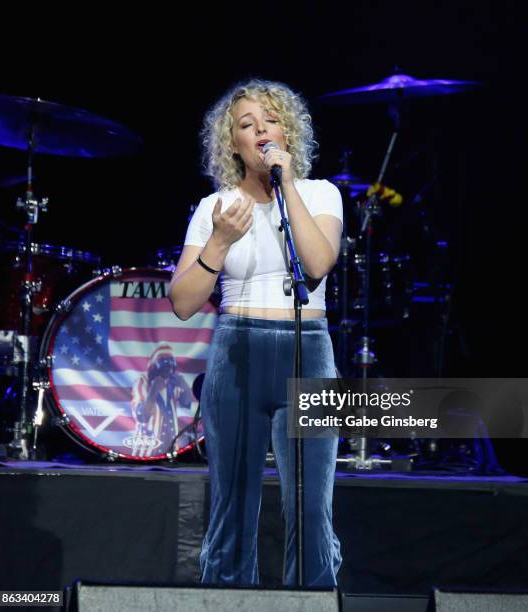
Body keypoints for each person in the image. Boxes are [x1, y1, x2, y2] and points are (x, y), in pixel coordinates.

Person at [169, 79, 343, 586]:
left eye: (270, 119)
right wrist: (220, 242)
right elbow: (182, 303)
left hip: (307, 352)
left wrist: (287, 186)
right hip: (238, 352)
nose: (261, 129)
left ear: (288, 132)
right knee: (233, 506)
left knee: (312, 509)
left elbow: (317, 262)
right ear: (233, 144)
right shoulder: (215, 207)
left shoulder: (318, 193)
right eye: (247, 124)